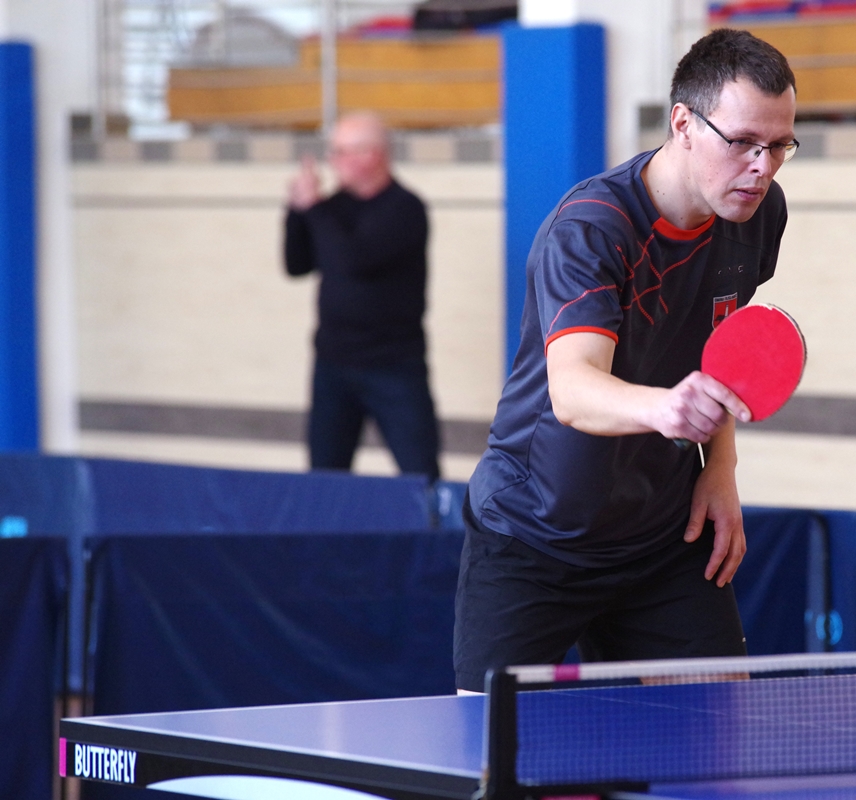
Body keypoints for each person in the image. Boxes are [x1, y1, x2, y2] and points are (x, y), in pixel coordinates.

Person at [453, 29, 799, 692]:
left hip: (661, 538)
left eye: (780, 145)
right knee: (486, 743)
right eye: (743, 142)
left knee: (721, 734)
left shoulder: (757, 215)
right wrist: (667, 409)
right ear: (683, 124)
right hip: (534, 533)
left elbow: (718, 352)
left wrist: (720, 468)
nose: (763, 166)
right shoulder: (592, 229)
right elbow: (574, 390)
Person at [284, 112, 440, 479]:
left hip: (394, 364)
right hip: (333, 363)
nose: (333, 161)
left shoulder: (404, 208)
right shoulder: (333, 207)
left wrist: (314, 208)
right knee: (325, 477)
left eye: (342, 151)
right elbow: (296, 264)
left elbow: (355, 260)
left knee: (419, 475)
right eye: (333, 151)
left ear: (373, 155)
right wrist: (296, 211)